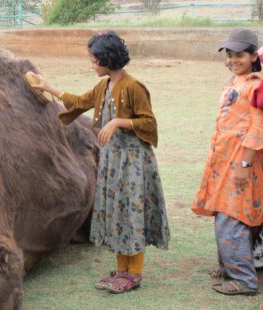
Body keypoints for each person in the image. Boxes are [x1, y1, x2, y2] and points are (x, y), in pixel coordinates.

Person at [32, 30, 170, 294]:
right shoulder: (103, 86)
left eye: (94, 59)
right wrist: (47, 87)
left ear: (107, 60)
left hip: (133, 163)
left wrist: (118, 122)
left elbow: (149, 123)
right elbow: (80, 101)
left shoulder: (134, 87)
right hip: (112, 161)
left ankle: (134, 273)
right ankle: (121, 270)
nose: (92, 63)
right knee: (117, 213)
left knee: (131, 213)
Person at [191, 28, 263, 296]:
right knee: (228, 215)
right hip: (223, 161)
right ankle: (232, 269)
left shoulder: (255, 86)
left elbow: (258, 129)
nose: (233, 60)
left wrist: (244, 166)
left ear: (254, 56)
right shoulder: (235, 82)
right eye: (230, 55)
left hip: (240, 162)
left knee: (232, 218)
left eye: (240, 55)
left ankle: (243, 279)